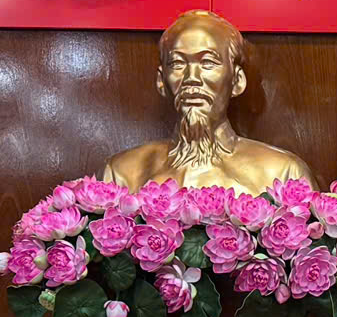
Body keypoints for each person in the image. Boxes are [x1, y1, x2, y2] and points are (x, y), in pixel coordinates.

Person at [98, 10, 314, 193]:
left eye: (208, 63)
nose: (192, 78)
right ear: (161, 81)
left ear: (237, 80)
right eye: (178, 63)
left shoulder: (284, 175)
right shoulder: (120, 175)